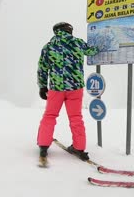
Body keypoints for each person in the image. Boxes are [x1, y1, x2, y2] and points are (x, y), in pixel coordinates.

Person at [36, 22, 99, 165]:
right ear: (68, 31)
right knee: (76, 117)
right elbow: (92, 51)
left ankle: (44, 145)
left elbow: (42, 68)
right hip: (75, 87)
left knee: (50, 116)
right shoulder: (78, 43)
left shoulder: (48, 47)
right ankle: (79, 147)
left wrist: (42, 86)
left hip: (56, 88)